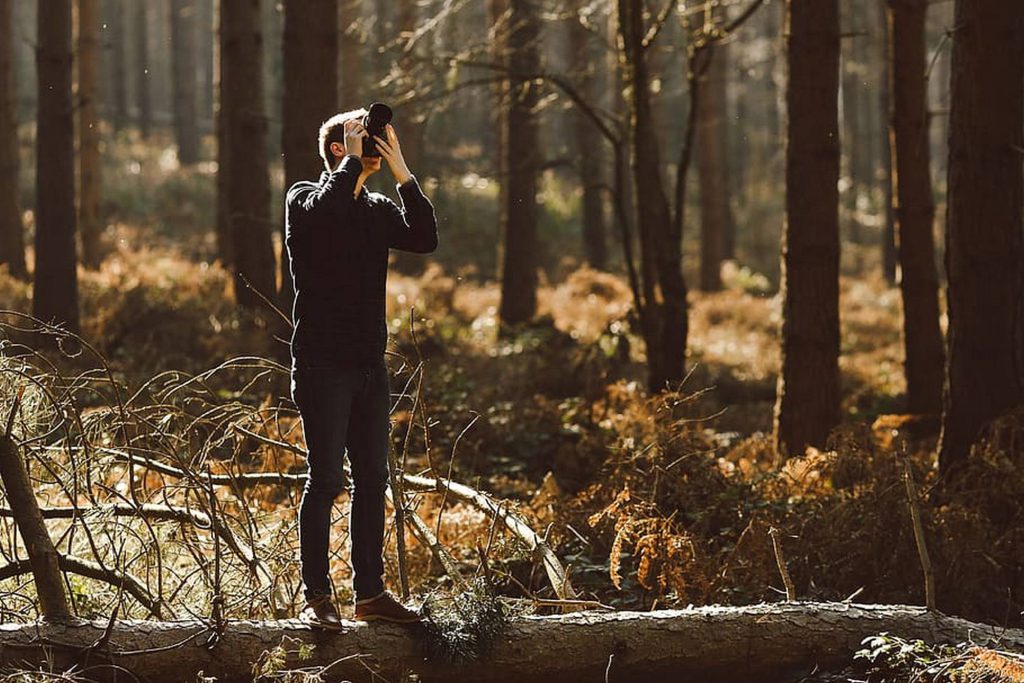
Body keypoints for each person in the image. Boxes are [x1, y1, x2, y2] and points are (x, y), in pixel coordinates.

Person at [284, 107, 438, 628]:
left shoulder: (376, 209)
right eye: (361, 139)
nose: (371, 145)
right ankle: (317, 599)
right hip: (323, 366)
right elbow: (328, 216)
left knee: (373, 479)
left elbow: (424, 238)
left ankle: (370, 594)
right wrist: (352, 163)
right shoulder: (303, 200)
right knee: (325, 479)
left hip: (370, 366)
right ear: (337, 149)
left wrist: (402, 175)